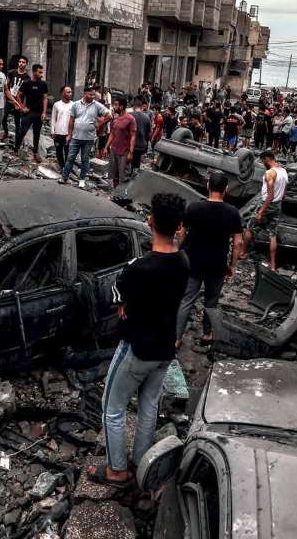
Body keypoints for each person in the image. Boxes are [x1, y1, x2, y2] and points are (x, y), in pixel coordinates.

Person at [87, 192, 189, 489]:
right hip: (164, 350)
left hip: (137, 350)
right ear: (179, 226)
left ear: (150, 221)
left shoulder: (139, 268)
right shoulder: (182, 262)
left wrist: (126, 304)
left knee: (113, 406)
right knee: (148, 406)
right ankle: (143, 463)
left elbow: (117, 297)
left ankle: (117, 470)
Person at [177, 172, 243, 347]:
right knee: (211, 302)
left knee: (186, 300)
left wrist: (177, 253)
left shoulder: (193, 207)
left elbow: (182, 234)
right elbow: (237, 243)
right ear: (225, 189)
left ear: (208, 186)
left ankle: (176, 339)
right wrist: (232, 265)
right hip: (217, 264)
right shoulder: (232, 212)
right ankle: (207, 334)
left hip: (193, 263)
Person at [244, 150, 288, 271]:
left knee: (249, 228)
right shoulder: (283, 171)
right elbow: (284, 193)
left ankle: (242, 252)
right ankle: (273, 265)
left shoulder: (270, 173)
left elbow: (270, 196)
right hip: (278, 205)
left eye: (262, 160)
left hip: (267, 204)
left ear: (267, 159)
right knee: (272, 235)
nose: (262, 163)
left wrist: (261, 212)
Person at [61, 87, 110, 189]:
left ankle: (82, 180)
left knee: (85, 159)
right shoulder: (76, 104)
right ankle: (64, 178)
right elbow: (71, 120)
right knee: (70, 158)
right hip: (76, 137)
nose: (92, 97)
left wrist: (100, 123)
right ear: (85, 94)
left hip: (89, 138)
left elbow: (109, 115)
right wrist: (69, 134)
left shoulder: (97, 105)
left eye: (94, 95)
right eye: (90, 95)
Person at [15, 63, 49, 160]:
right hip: (28, 112)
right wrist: (22, 107)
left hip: (39, 113)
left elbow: (45, 98)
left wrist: (44, 112)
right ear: (34, 72)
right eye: (40, 72)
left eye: (42, 72)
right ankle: (16, 149)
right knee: (23, 131)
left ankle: (35, 152)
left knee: (37, 133)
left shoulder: (43, 84)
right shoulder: (27, 83)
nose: (41, 74)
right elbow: (18, 95)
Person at [106, 97, 136, 189]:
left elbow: (133, 136)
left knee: (123, 177)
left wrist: (131, 153)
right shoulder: (115, 118)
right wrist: (106, 146)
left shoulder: (130, 119)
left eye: (116, 105)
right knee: (114, 175)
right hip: (114, 151)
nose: (114, 107)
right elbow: (112, 133)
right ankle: (115, 193)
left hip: (124, 152)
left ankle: (122, 195)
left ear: (121, 107)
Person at [2, 55, 29, 143]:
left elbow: (26, 94)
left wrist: (22, 106)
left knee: (17, 124)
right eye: (20, 62)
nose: (21, 64)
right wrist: (5, 98)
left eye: (23, 62)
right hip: (9, 100)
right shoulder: (11, 72)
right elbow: (6, 86)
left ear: (26, 65)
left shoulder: (27, 78)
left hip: (18, 103)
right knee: (3, 118)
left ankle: (17, 143)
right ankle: (6, 133)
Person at [50, 86, 73, 167]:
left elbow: (74, 121)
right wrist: (52, 131)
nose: (70, 94)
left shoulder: (73, 105)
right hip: (58, 133)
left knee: (68, 152)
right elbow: (53, 118)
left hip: (68, 133)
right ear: (62, 93)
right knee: (59, 152)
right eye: (68, 92)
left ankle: (67, 169)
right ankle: (62, 167)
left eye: (71, 92)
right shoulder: (57, 105)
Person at [130, 97, 153, 176]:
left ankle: (128, 176)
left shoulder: (130, 115)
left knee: (129, 162)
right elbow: (149, 133)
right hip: (141, 145)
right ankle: (134, 176)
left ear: (134, 106)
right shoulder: (147, 118)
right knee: (137, 162)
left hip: (131, 145)